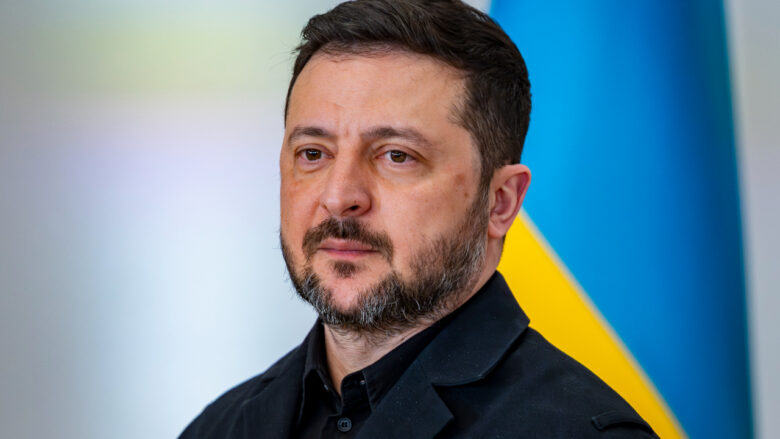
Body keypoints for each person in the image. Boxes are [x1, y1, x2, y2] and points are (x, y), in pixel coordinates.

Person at [180, 0, 657, 437]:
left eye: (397, 156)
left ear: (500, 202)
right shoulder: (218, 428)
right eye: (313, 153)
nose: (339, 197)